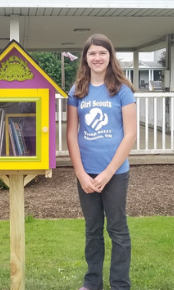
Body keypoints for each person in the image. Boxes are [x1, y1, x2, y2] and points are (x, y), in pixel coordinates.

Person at [66, 34, 137, 290]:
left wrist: (108, 172)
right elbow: (71, 134)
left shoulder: (122, 90)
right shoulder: (77, 91)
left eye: (102, 53)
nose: (97, 58)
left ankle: (120, 285)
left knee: (118, 230)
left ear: (110, 57)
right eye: (92, 53)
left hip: (115, 173)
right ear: (85, 57)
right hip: (86, 172)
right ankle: (92, 282)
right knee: (92, 230)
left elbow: (130, 134)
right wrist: (81, 174)